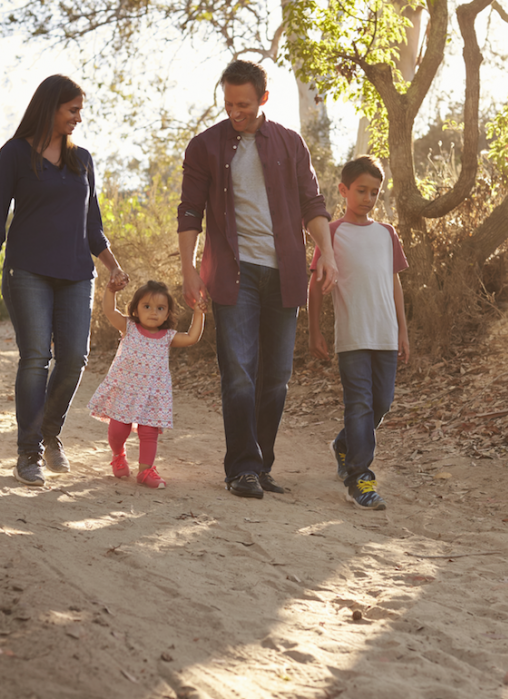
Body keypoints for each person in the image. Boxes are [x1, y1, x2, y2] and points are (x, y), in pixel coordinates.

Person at [177, 59, 338, 499]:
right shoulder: (205, 146)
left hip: (284, 273)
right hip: (233, 274)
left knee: (276, 377)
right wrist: (189, 267)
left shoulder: (289, 143)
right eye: (229, 103)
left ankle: (261, 463)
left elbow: (312, 203)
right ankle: (241, 468)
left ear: (263, 99)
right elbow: (190, 210)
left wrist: (326, 252)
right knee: (240, 374)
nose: (235, 112)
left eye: (244, 104)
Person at [0, 75, 129, 488]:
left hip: (77, 273)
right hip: (27, 271)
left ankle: (49, 431)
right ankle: (29, 453)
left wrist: (112, 265)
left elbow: (92, 226)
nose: (79, 118)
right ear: (50, 108)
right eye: (72, 110)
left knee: (75, 357)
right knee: (34, 358)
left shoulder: (83, 161)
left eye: (80, 110)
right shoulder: (14, 155)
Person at [307, 156, 410, 510]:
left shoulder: (386, 234)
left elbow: (394, 283)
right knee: (360, 403)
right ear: (344, 191)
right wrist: (314, 331)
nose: (368, 198)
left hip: (385, 334)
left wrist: (403, 331)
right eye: (361, 191)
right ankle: (359, 479)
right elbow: (315, 283)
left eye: (374, 193)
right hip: (352, 336)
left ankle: (345, 444)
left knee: (381, 403)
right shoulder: (332, 233)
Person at [88, 280, 206, 489]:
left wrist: (199, 313)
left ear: (168, 313)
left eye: (160, 308)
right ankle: (118, 455)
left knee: (149, 433)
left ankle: (145, 470)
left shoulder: (167, 337)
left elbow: (191, 337)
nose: (154, 312)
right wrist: (110, 291)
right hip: (125, 389)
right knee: (118, 430)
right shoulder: (129, 327)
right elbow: (109, 310)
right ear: (135, 309)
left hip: (153, 394)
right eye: (147, 307)